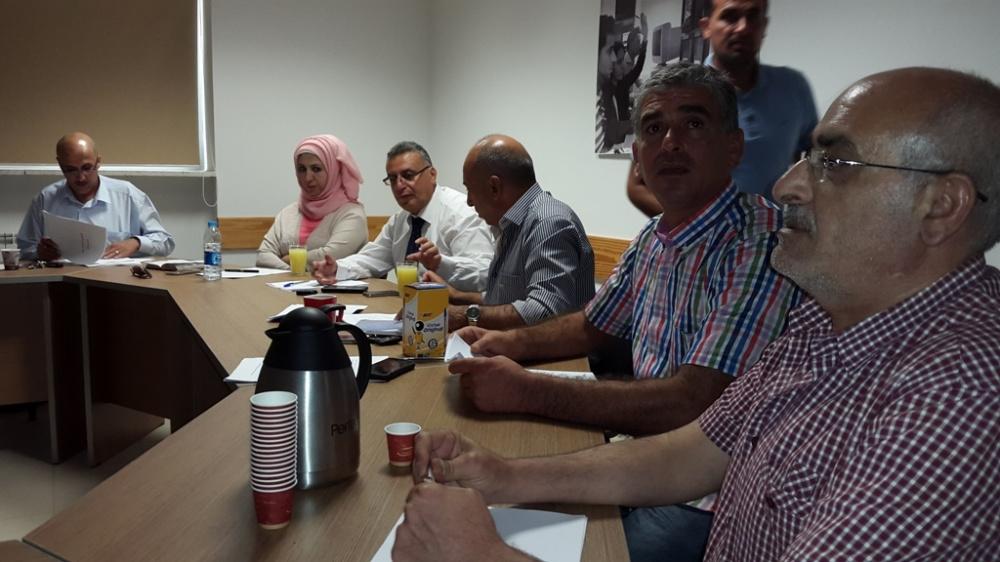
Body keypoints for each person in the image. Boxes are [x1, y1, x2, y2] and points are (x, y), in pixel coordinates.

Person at [392, 67, 1000, 562]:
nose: (787, 185)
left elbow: (691, 405)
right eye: (805, 158)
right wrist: (504, 474)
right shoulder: (825, 323)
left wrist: (483, 556)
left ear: (941, 205)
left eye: (832, 164)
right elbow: (696, 450)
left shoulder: (960, 392)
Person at [450, 63, 800, 561]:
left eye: (693, 123)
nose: (670, 143)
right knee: (484, 504)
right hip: (637, 457)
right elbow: (593, 323)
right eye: (654, 128)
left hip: (708, 492)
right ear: (637, 156)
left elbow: (696, 402)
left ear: (733, 147)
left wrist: (526, 389)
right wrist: (507, 342)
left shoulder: (760, 241)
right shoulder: (654, 236)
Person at [627, 0, 817, 212]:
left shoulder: (793, 88)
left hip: (776, 229)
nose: (743, 27)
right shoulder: (679, 93)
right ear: (706, 27)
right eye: (730, 17)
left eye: (752, 16)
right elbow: (636, 187)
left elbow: (815, 159)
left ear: (764, 26)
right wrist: (698, 224)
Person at [425, 135, 595, 331]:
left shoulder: (548, 223)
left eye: (470, 190)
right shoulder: (512, 223)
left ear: (494, 187)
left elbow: (544, 311)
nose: (469, 202)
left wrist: (463, 316)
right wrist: (455, 295)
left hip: (552, 351)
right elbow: (503, 299)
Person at [311, 141, 493, 292]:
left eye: (408, 175)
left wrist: (441, 263)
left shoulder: (462, 214)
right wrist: (337, 268)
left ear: (432, 174)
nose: (399, 185)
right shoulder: (400, 220)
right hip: (409, 310)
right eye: (392, 179)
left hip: (458, 314)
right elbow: (372, 258)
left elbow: (484, 273)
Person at [16, 132, 175, 261]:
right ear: (60, 165)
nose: (81, 177)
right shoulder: (46, 199)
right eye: (71, 170)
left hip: (119, 283)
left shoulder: (127, 195)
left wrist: (136, 242)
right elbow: (25, 248)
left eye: (87, 168)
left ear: (98, 162)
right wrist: (39, 253)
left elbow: (165, 242)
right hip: (64, 282)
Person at [256, 135, 367, 269]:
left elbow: (330, 257)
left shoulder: (352, 214)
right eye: (302, 169)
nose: (308, 178)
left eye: (316, 169)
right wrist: (290, 270)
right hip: (285, 282)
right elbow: (263, 255)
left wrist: (288, 259)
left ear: (334, 170)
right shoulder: (288, 213)